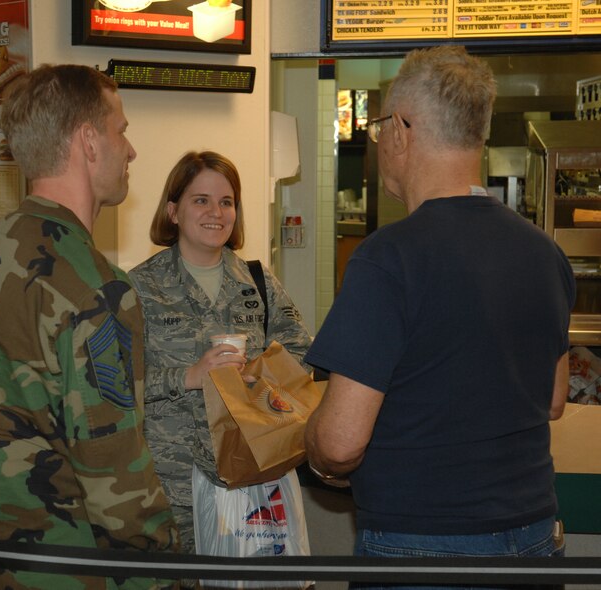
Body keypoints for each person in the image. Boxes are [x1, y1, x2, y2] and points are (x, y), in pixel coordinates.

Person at [303, 45, 574, 589]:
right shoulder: (543, 251)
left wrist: (317, 455)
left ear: (401, 130)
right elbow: (553, 399)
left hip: (423, 547)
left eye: (381, 128)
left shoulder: (388, 257)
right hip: (534, 539)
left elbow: (340, 442)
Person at [0, 64, 179, 590]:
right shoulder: (97, 288)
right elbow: (115, 474)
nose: (129, 150)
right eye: (121, 131)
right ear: (89, 142)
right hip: (66, 569)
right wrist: (165, 569)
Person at [128, 150, 312, 556]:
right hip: (168, 485)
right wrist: (188, 377)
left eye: (226, 202)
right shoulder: (139, 287)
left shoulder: (259, 283)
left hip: (250, 479)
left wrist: (260, 376)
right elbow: (115, 382)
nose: (216, 212)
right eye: (201, 200)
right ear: (173, 211)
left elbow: (301, 357)